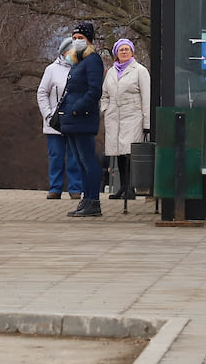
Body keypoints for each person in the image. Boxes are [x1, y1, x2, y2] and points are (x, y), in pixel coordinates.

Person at [61, 21, 105, 218]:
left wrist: (77, 109)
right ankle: (86, 200)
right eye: (75, 38)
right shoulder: (77, 61)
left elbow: (94, 90)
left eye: (81, 38)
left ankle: (93, 200)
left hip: (82, 118)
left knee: (88, 161)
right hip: (72, 118)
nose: (77, 41)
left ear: (89, 40)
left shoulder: (93, 60)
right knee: (79, 161)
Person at [101, 37, 151, 201]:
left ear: (132, 52)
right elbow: (105, 95)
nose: (124, 52)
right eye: (121, 50)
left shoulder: (140, 70)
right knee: (118, 152)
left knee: (130, 151)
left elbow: (146, 97)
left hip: (133, 115)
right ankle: (122, 186)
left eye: (126, 49)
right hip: (114, 115)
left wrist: (147, 122)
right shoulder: (111, 72)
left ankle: (131, 187)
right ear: (116, 53)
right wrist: (105, 109)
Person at [37, 37, 82, 200]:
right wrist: (48, 114)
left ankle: (75, 188)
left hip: (74, 120)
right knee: (56, 156)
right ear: (64, 52)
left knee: (75, 156)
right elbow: (42, 92)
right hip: (54, 122)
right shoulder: (51, 70)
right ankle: (55, 188)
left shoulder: (81, 69)